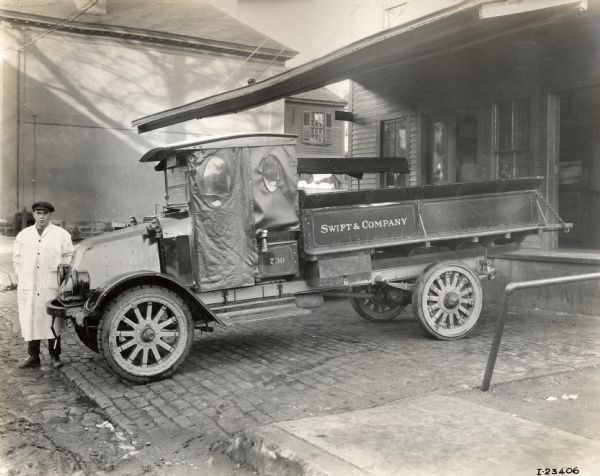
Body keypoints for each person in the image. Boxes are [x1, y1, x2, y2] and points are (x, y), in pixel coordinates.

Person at [12, 201, 74, 369]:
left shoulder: (61, 235)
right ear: (34, 214)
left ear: (49, 215)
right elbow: (16, 258)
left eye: (44, 213)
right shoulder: (24, 235)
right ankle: (33, 356)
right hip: (29, 285)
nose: (41, 216)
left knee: (52, 320)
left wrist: (62, 274)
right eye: (38, 213)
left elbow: (69, 256)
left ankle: (55, 356)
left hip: (50, 284)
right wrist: (22, 274)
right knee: (31, 318)